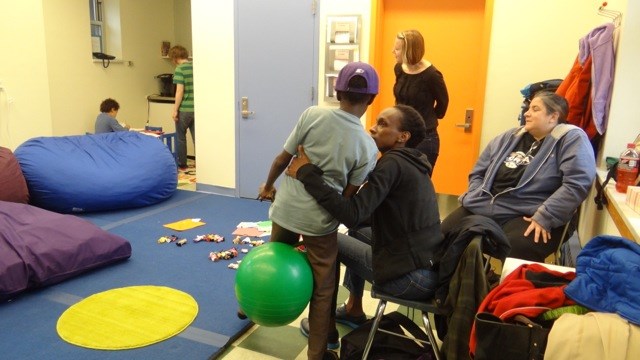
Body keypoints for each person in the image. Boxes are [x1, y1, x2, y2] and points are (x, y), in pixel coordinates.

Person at [256, 62, 380, 360]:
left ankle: (250, 304)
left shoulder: (312, 114)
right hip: (320, 222)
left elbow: (282, 159)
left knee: (273, 258)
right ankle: (317, 353)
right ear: (372, 100)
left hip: (286, 209)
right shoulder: (367, 146)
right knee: (324, 289)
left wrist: (268, 186)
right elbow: (347, 197)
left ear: (337, 91)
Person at [286, 104, 443, 336]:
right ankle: (353, 309)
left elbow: (352, 214)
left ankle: (325, 330)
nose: (372, 128)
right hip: (427, 271)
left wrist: (307, 173)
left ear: (403, 136)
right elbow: (362, 218)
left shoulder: (391, 164)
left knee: (333, 242)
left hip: (409, 279)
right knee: (358, 231)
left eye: (382, 124)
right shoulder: (414, 163)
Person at [441, 91, 596, 263]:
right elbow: (478, 172)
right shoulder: (509, 137)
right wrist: (476, 193)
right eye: (528, 108)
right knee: (441, 236)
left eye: (535, 109)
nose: (526, 113)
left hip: (528, 213)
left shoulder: (571, 138)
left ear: (553, 117)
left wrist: (546, 215)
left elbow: (577, 183)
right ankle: (466, 281)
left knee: (517, 248)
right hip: (484, 205)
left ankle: (511, 288)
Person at [393, 29, 449, 173]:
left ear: (409, 51)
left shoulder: (432, 75)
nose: (393, 51)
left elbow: (443, 103)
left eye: (398, 49)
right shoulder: (399, 68)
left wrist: (427, 118)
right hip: (401, 135)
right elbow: (399, 99)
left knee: (417, 184)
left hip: (425, 139)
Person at [169, 45, 194, 171]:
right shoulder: (196, 66)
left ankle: (182, 164)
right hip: (198, 109)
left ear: (175, 58)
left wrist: (175, 110)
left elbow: (179, 91)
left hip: (185, 109)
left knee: (181, 137)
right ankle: (204, 163)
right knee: (198, 138)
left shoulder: (180, 69)